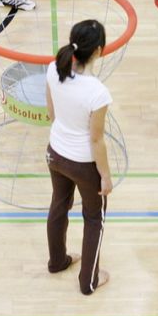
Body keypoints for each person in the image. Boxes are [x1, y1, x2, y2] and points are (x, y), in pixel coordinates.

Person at [44, 19, 113, 295]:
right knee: (94, 219)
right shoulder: (97, 92)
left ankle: (57, 261)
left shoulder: (53, 69)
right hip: (84, 165)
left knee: (59, 205)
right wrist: (105, 176)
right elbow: (96, 140)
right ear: (98, 51)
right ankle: (89, 281)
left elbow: (51, 115)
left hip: (55, 153)